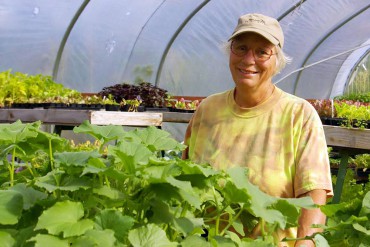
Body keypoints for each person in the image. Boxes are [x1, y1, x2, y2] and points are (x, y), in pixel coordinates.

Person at [182, 13, 333, 247]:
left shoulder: (298, 115)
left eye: (262, 51)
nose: (248, 59)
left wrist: (306, 244)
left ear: (277, 61)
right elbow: (185, 180)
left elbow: (314, 195)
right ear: (230, 52)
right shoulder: (207, 110)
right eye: (241, 48)